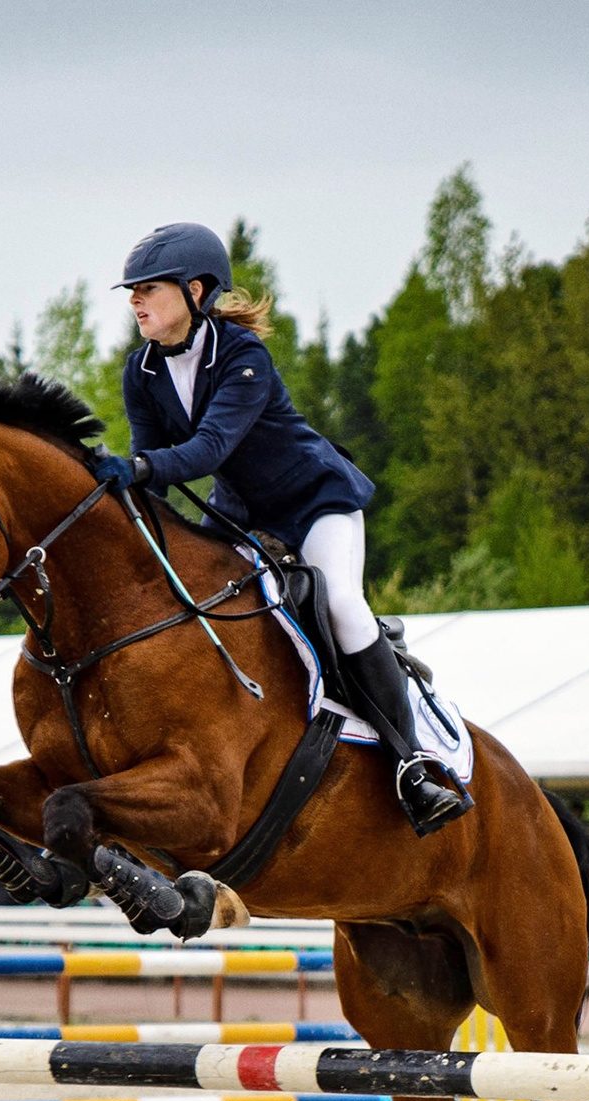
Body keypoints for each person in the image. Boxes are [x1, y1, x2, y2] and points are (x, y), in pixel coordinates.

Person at [104, 222, 467, 835]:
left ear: (196, 291)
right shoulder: (140, 371)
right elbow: (155, 475)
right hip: (243, 517)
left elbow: (207, 449)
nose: (135, 300)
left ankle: (413, 765)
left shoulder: (244, 356)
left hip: (314, 503)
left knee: (344, 606)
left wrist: (135, 467)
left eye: (148, 288)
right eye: (131, 290)